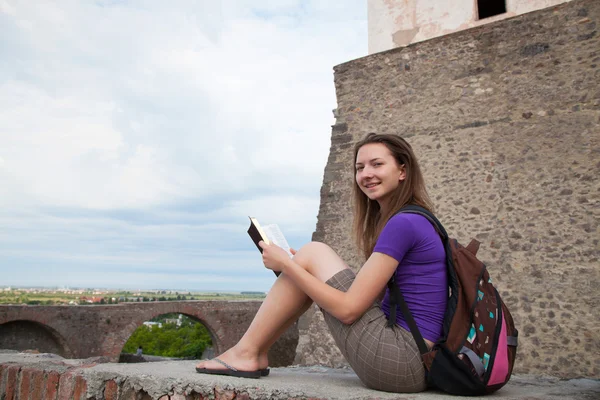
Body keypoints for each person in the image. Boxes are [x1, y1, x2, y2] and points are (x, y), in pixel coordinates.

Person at [195, 133, 448, 393]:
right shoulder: (416, 218)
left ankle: (247, 352)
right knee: (308, 258)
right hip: (417, 360)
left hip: (402, 362)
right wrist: (301, 266)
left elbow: (349, 310)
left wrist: (290, 265)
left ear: (402, 171)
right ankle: (252, 353)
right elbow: (375, 295)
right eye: (360, 168)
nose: (366, 174)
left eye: (377, 164)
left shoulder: (403, 223)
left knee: (312, 253)